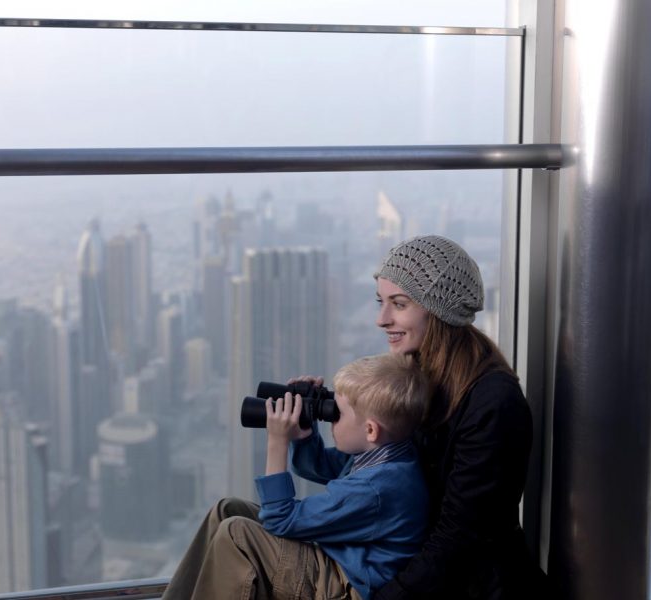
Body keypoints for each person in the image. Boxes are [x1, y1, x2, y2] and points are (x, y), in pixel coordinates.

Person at [162, 353, 431, 600]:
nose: (331, 419)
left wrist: (277, 441)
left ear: (371, 430)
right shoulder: (388, 454)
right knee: (226, 510)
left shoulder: (376, 488)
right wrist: (306, 427)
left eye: (337, 413)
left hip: (344, 585)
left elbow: (279, 519)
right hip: (337, 560)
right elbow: (315, 466)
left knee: (236, 533)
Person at [368, 234, 545, 599]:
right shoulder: (421, 377)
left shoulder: (492, 402)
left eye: (398, 304)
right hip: (408, 565)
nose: (381, 319)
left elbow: (459, 537)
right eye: (381, 302)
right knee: (234, 514)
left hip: (464, 588)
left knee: (238, 537)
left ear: (439, 308)